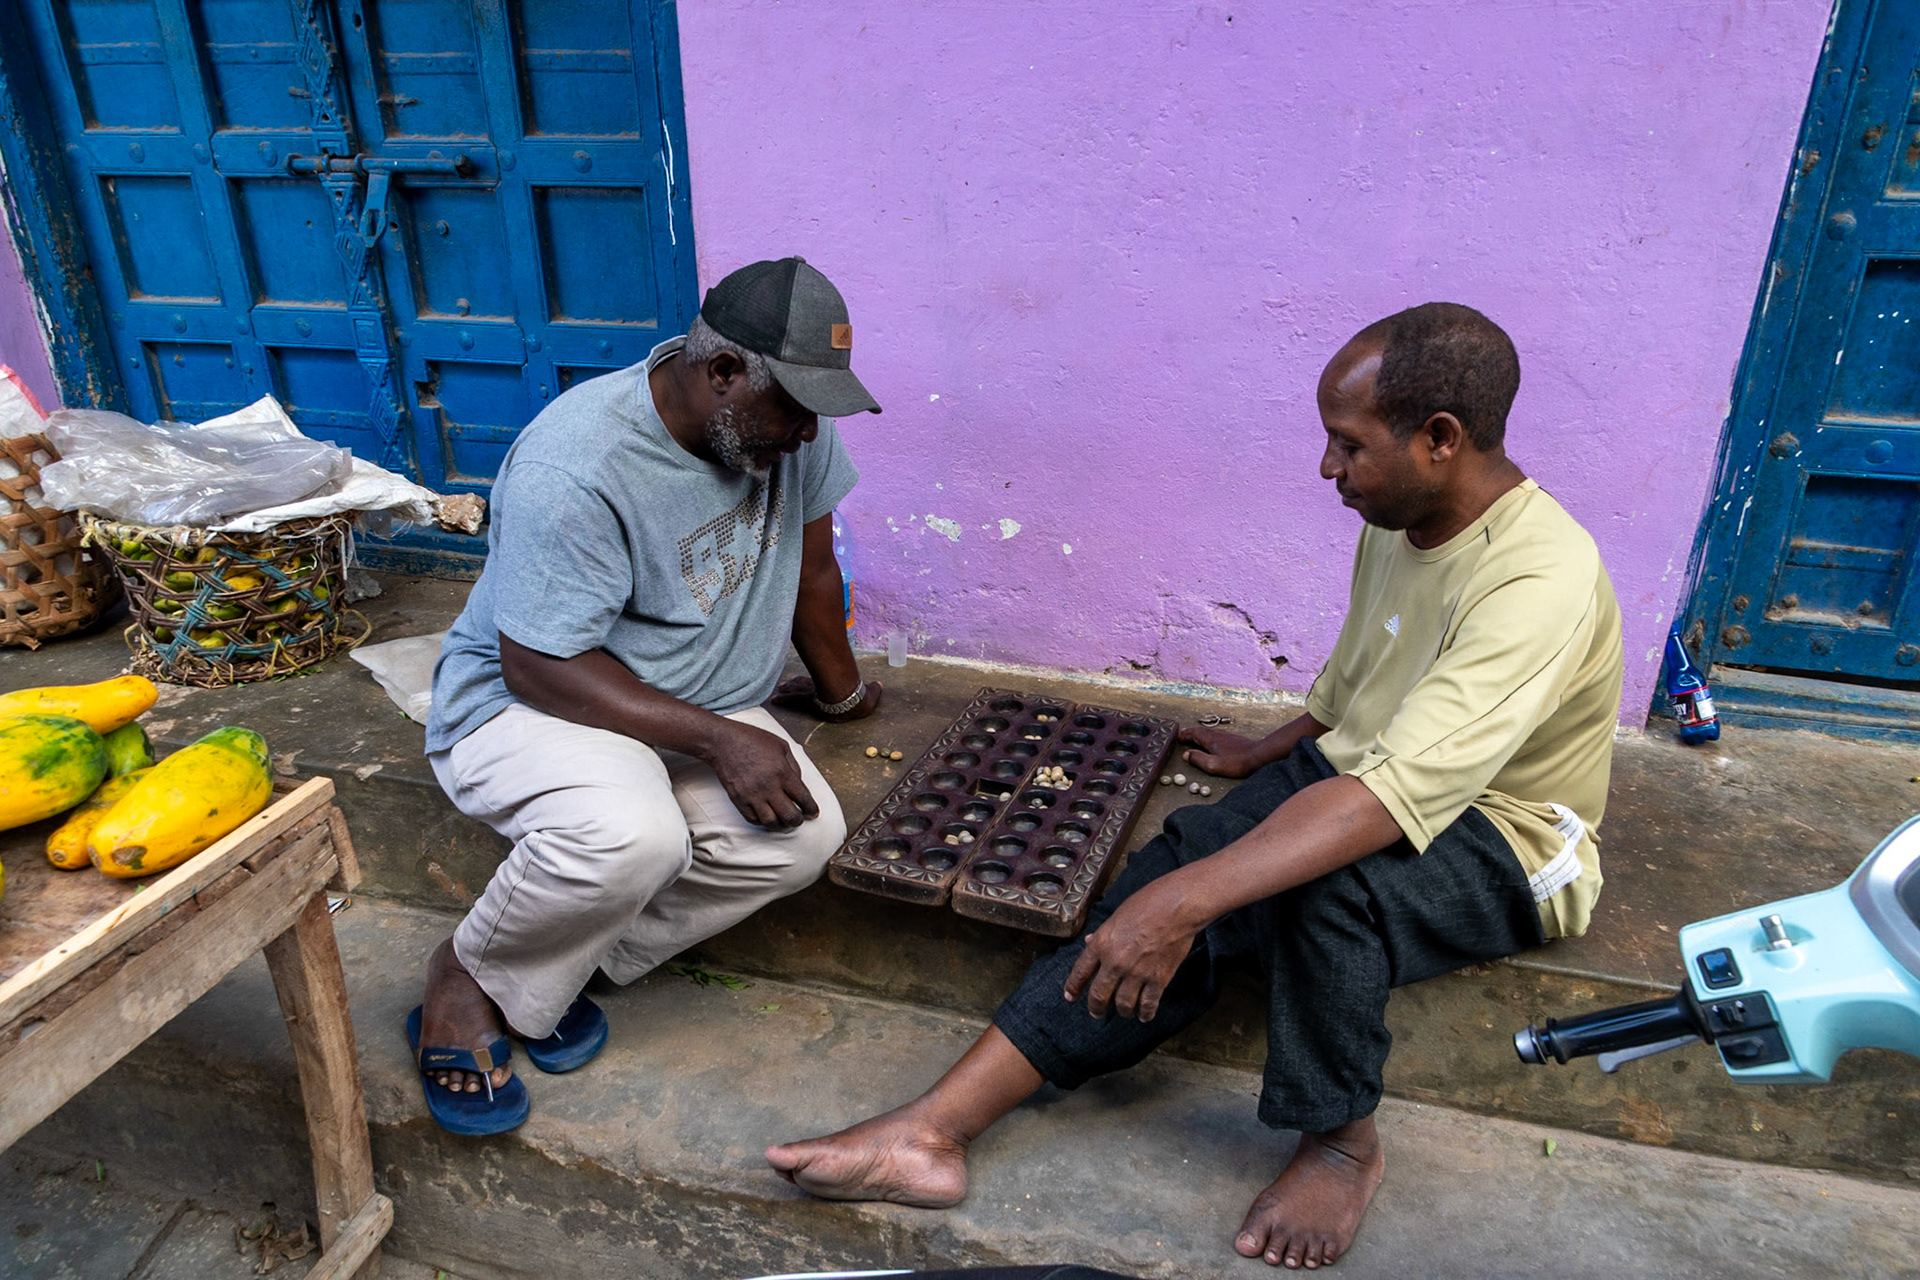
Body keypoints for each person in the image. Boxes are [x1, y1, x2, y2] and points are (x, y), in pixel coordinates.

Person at [766, 302, 1625, 1270]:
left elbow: (1389, 799)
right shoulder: (1402, 514)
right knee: (1190, 854)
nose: (1326, 469)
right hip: (1373, 767)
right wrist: (1269, 752)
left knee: (1308, 892)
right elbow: (1360, 690)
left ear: (1439, 440)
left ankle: (1341, 1140)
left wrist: (1182, 905)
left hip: (1510, 834)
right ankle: (933, 1131)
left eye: (1347, 444)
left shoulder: (1539, 576)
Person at [411, 257, 884, 1135]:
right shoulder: (578, 463)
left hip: (678, 713)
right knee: (632, 833)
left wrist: (843, 695)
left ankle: (548, 969)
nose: (809, 435)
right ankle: (465, 978)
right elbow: (539, 667)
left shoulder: (787, 428)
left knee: (802, 838)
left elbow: (815, 573)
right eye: (794, 407)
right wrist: (719, 739)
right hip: (536, 705)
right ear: (723, 374)